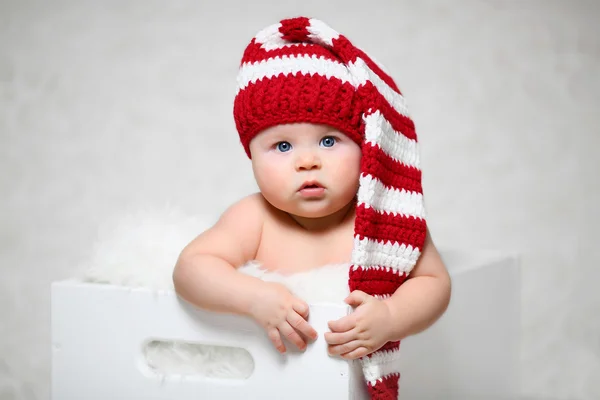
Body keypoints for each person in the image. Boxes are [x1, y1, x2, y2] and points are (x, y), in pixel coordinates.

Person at [173, 16, 451, 399]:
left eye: (328, 141)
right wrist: (255, 297)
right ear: (250, 155)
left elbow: (433, 283)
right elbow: (191, 269)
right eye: (282, 146)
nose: (306, 161)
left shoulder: (384, 220)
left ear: (368, 145)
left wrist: (389, 317)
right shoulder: (253, 218)